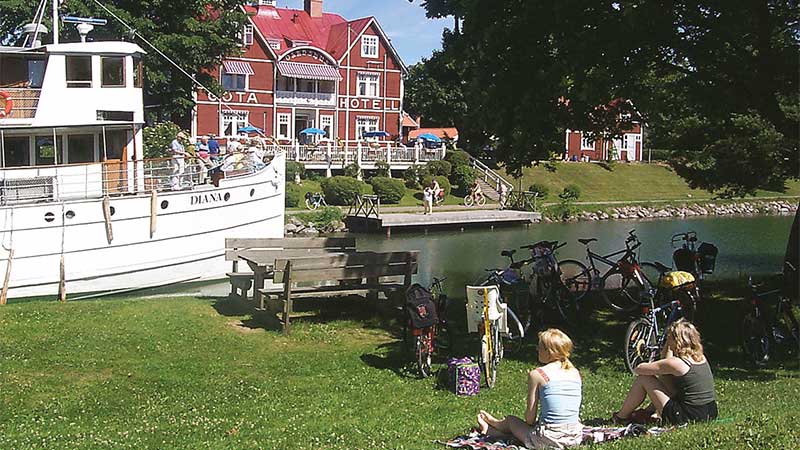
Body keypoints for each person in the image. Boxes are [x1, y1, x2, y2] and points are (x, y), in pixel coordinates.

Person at [476, 329, 583, 449]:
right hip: (574, 436)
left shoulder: (538, 374)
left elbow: (529, 419)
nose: (537, 350)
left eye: (540, 347)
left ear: (549, 352)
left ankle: (492, 426)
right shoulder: (575, 373)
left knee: (512, 421)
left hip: (550, 438)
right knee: (531, 429)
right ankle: (493, 428)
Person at [612, 319, 718, 426]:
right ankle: (649, 412)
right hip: (709, 412)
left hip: (687, 416)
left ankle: (621, 417)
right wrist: (669, 344)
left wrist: (667, 345)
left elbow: (639, 368)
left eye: (669, 338)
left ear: (676, 340)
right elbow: (665, 366)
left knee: (644, 379)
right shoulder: (700, 357)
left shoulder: (677, 364)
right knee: (667, 377)